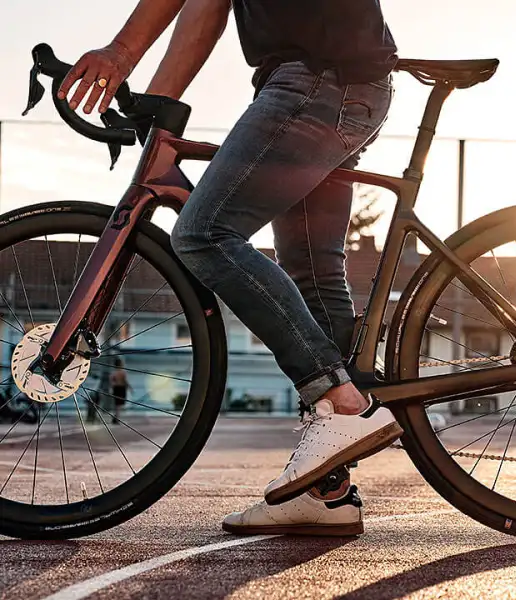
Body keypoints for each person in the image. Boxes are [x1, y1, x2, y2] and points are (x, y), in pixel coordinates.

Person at [59, 0, 402, 536]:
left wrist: (122, 54)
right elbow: (205, 4)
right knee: (312, 271)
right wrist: (157, 100)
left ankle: (343, 402)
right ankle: (326, 492)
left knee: (202, 234)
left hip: (317, 83)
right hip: (341, 83)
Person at [109, 358, 132, 424]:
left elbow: (111, 382)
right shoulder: (122, 372)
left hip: (115, 388)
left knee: (116, 404)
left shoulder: (113, 373)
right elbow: (125, 381)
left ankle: (115, 417)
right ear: (121, 364)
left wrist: (112, 388)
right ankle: (116, 418)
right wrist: (130, 388)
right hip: (121, 388)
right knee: (119, 404)